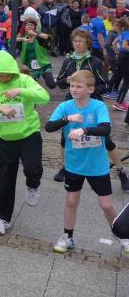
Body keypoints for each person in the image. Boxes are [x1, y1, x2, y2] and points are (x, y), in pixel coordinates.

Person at [45, 70, 129, 256]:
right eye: (72, 86)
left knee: (106, 205)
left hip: (97, 166)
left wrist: (84, 130)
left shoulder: (98, 106)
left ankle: (122, 235)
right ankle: (67, 236)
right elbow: (49, 127)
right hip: (74, 164)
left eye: (79, 86)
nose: (74, 89)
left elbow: (105, 129)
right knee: (71, 200)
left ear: (90, 89)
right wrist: (67, 119)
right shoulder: (65, 106)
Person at [0, 50, 49, 236]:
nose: (4, 77)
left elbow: (44, 97)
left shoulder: (24, 80)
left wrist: (21, 91)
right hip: (5, 138)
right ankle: (2, 219)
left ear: (13, 70)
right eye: (0, 74)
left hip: (29, 133)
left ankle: (33, 185)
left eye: (7, 73)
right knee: (4, 180)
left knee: (32, 168)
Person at [54, 28, 129, 191]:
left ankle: (121, 170)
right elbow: (58, 83)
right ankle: (64, 167)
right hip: (71, 105)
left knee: (106, 140)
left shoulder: (95, 61)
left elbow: (106, 85)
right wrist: (66, 81)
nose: (77, 44)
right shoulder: (68, 61)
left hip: (92, 105)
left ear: (88, 43)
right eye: (75, 41)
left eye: (80, 41)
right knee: (65, 138)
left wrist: (88, 90)